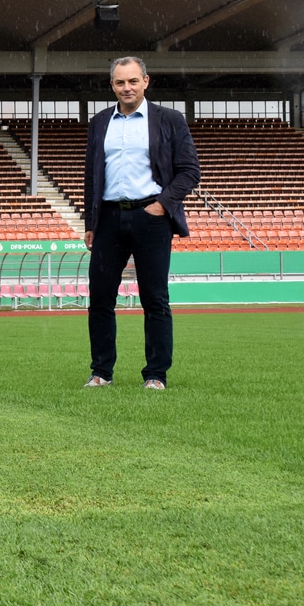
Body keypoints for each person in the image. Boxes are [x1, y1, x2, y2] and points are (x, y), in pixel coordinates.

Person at [83, 57, 201, 390]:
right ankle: (101, 372)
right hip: (108, 218)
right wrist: (91, 222)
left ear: (146, 81)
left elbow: (190, 171)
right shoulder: (100, 122)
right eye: (120, 83)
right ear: (112, 86)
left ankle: (155, 375)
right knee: (100, 298)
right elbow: (92, 175)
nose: (127, 88)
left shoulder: (170, 120)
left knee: (155, 298)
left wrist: (162, 206)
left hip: (150, 217)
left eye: (133, 81)